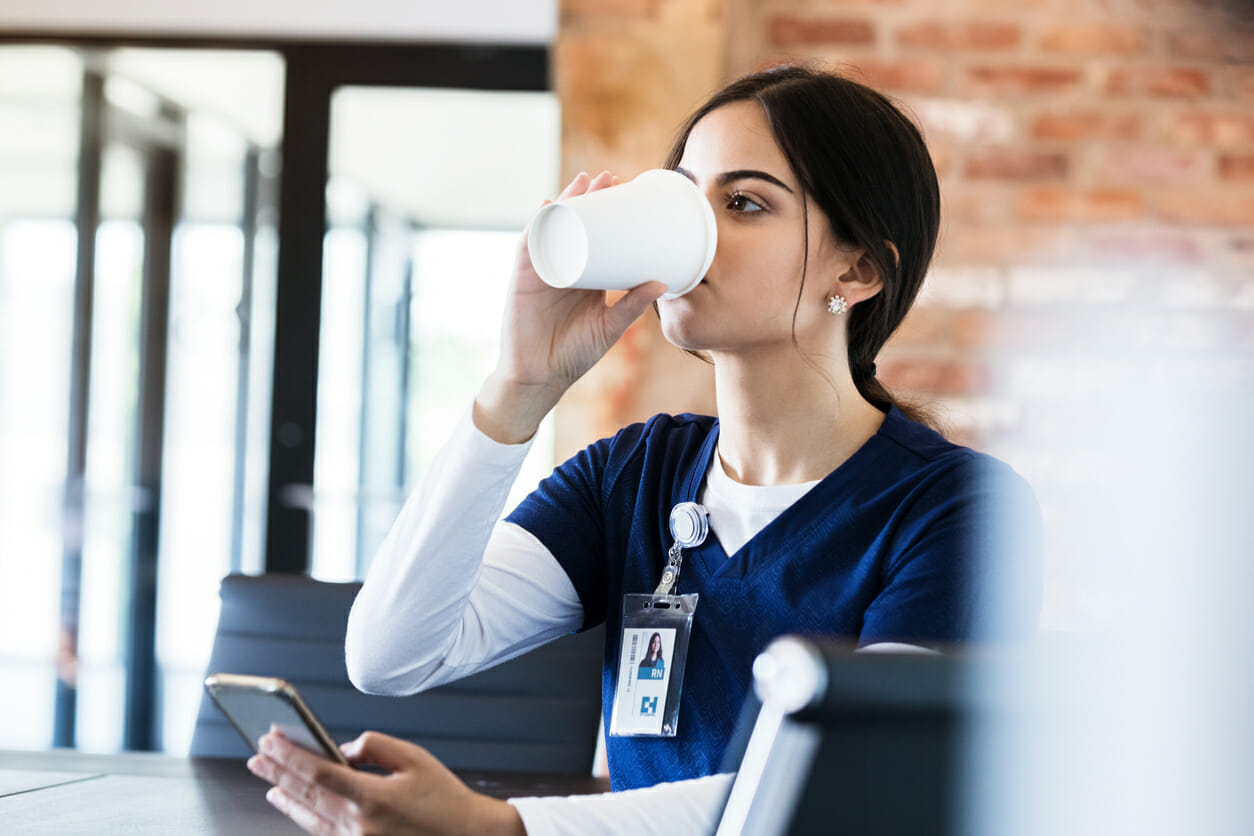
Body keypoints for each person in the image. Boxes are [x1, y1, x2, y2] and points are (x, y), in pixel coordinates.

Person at [246, 64, 1043, 836]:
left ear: (859, 267)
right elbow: (391, 655)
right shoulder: (631, 476)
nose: (693, 236)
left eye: (743, 203)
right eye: (684, 199)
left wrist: (505, 827)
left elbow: (845, 781)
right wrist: (519, 385)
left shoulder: (959, 511)